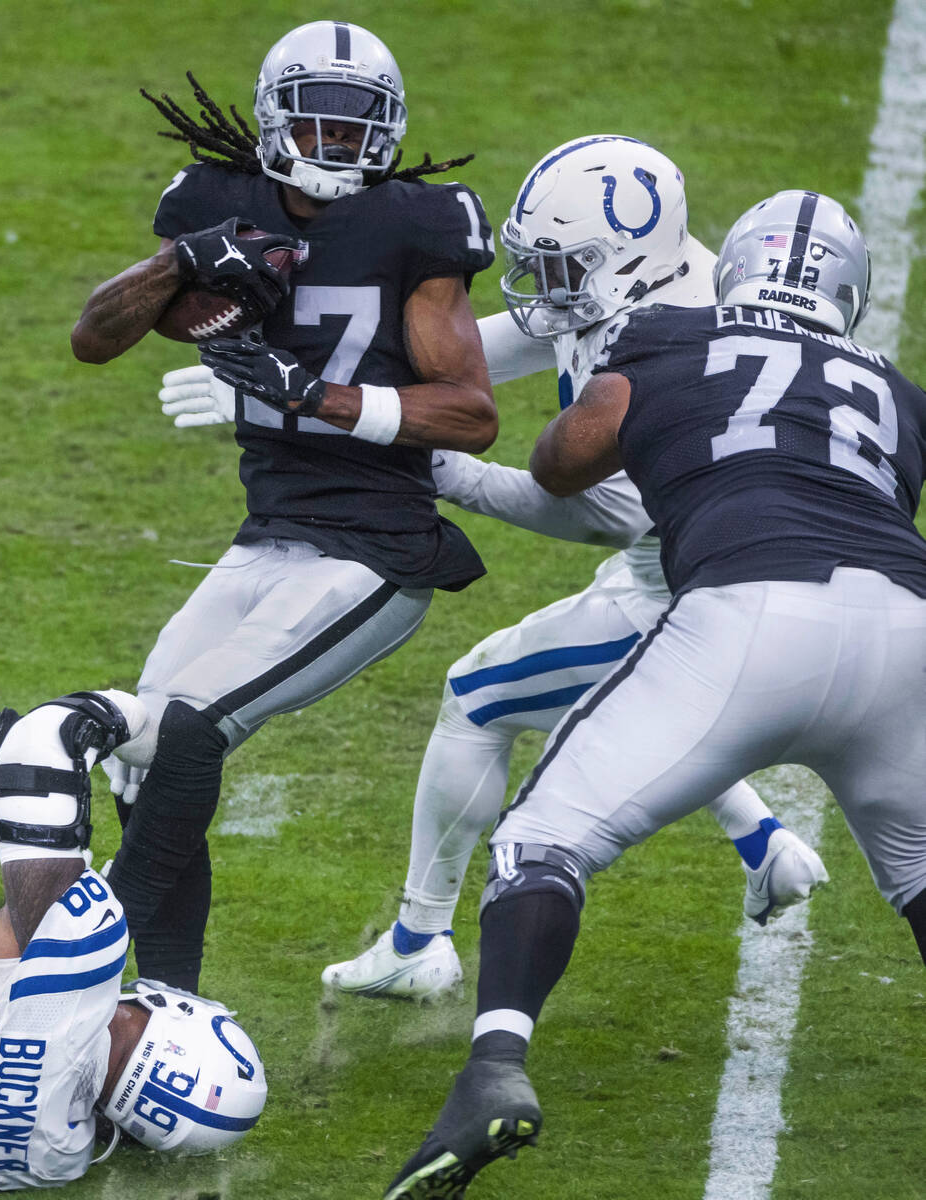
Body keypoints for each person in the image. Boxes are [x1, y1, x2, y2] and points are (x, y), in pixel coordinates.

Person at [382, 190, 926, 1197]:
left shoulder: (672, 335)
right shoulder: (897, 391)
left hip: (751, 615)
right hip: (907, 625)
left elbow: (564, 464)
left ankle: (493, 1068)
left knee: (542, 841)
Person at [305, 137, 827, 999]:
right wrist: (345, 387)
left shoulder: (646, 339)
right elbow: (522, 338)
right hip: (724, 558)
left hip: (696, 585)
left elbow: (609, 513)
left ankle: (417, 939)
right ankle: (763, 841)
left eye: (564, 264)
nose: (543, 281)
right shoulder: (675, 281)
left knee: (479, 696)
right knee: (607, 684)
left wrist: (450, 472)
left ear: (625, 258)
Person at [70, 20, 498, 993]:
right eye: (322, 123)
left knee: (188, 727)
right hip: (268, 533)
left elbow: (471, 415)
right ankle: (169, 998)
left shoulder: (416, 224)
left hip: (376, 547)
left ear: (388, 130)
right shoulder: (213, 200)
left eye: (359, 128)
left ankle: (71, 972)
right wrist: (186, 263)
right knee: (144, 761)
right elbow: (94, 338)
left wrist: (310, 396)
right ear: (275, 119)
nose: (341, 144)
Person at [0, 689, 266, 1190]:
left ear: (182, 1016)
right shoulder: (53, 1160)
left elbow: (44, 739)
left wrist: (137, 730)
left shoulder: (88, 946)